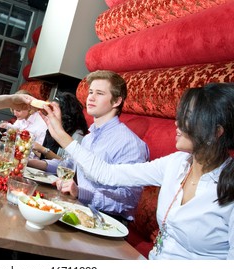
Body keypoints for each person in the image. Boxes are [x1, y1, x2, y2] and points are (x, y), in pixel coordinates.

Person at [42, 82, 234, 260]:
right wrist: (59, 133)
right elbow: (107, 173)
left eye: (189, 117)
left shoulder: (228, 188)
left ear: (216, 132)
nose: (177, 123)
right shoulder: (176, 163)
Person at [44, 70, 150, 222]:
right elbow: (67, 166)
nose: (91, 98)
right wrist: (34, 163)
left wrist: (81, 192)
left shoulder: (130, 144)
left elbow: (128, 201)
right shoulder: (89, 137)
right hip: (79, 209)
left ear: (116, 101)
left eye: (99, 93)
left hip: (106, 221)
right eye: (91, 92)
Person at [28, 91, 88, 169]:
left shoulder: (77, 134)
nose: (51, 113)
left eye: (54, 110)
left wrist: (43, 150)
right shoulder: (51, 129)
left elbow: (69, 166)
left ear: (65, 113)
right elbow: (44, 156)